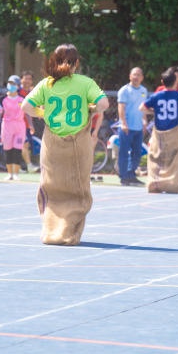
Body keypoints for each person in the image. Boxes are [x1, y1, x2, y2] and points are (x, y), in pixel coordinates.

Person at [21, 44, 109, 245]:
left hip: (52, 146)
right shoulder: (85, 83)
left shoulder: (47, 84)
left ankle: (52, 231)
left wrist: (43, 113)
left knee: (52, 188)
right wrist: (91, 109)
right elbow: (104, 104)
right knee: (77, 189)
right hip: (78, 145)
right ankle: (69, 233)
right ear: (76, 63)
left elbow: (26, 106)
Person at [140, 68, 178, 193]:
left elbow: (142, 107)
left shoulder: (157, 95)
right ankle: (172, 184)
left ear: (162, 82)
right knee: (174, 157)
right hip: (174, 129)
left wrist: (153, 112)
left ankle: (154, 182)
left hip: (159, 130)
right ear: (175, 81)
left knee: (156, 156)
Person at [117, 67, 148, 186]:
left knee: (137, 152)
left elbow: (143, 108)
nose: (136, 77)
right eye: (134, 75)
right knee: (124, 152)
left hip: (138, 127)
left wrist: (144, 121)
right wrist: (124, 123)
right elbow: (121, 107)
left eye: (138, 75)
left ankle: (131, 174)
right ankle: (124, 176)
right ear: (130, 76)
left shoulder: (143, 90)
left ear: (142, 78)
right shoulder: (124, 90)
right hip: (126, 127)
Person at [0, 75, 28, 181]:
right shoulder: (2, 99)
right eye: (10, 83)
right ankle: (9, 173)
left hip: (19, 126)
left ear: (18, 86)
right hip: (7, 126)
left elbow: (27, 114)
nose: (11, 86)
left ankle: (16, 173)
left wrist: (31, 125)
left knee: (17, 149)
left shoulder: (22, 99)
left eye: (14, 84)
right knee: (8, 149)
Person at [19, 70, 41, 172]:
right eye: (25, 78)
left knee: (24, 145)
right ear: (21, 79)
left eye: (30, 79)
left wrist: (41, 110)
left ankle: (18, 166)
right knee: (24, 144)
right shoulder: (17, 92)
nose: (27, 81)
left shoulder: (33, 93)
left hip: (27, 124)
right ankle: (29, 165)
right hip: (18, 123)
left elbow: (40, 102)